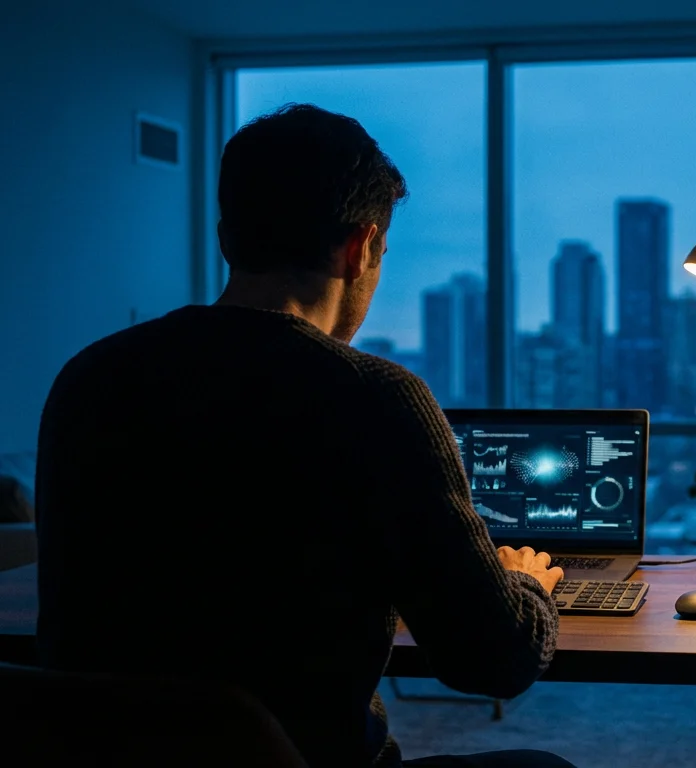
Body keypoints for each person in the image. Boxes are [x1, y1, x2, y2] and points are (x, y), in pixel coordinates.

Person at [35, 104, 573, 768]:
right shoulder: (375, 397)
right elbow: (495, 660)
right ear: (362, 247)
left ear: (228, 239)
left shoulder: (90, 379)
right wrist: (524, 585)